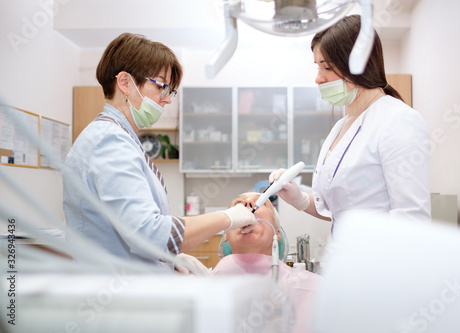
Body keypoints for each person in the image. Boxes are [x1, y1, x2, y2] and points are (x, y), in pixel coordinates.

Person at [63, 33, 256, 269]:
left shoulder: (120, 137)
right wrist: (229, 217)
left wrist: (168, 261)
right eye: (162, 87)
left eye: (170, 91)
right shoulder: (109, 141)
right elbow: (148, 234)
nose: (167, 100)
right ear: (125, 83)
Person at [270, 15, 431, 226]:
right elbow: (340, 213)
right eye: (317, 67)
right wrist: (299, 199)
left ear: (359, 65)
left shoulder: (398, 121)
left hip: (378, 258)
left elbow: (412, 219)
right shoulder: (342, 126)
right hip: (344, 255)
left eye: (326, 67)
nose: (318, 78)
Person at [212, 192, 320, 333]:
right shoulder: (198, 287)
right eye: (238, 203)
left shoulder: (315, 289)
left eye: (261, 202)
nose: (248, 203)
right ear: (225, 235)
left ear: (277, 232)